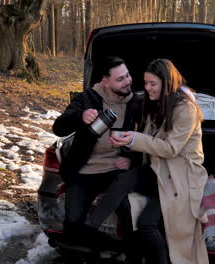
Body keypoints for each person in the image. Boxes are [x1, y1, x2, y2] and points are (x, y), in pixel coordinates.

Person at [106, 58, 209, 263]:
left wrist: (135, 139)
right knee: (123, 199)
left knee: (146, 224)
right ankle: (129, 254)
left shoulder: (185, 109)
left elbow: (170, 148)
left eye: (152, 84)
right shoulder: (158, 104)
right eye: (145, 83)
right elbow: (148, 141)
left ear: (166, 82)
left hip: (181, 179)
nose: (147, 88)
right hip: (160, 172)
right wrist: (127, 142)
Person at [52, 56, 142, 248]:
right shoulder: (87, 98)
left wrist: (131, 160)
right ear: (105, 81)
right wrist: (80, 116)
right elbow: (59, 128)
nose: (127, 81)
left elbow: (149, 139)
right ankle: (97, 249)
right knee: (73, 224)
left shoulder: (137, 103)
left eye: (127, 75)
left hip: (117, 169)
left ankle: (127, 252)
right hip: (86, 169)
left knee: (129, 212)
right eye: (120, 79)